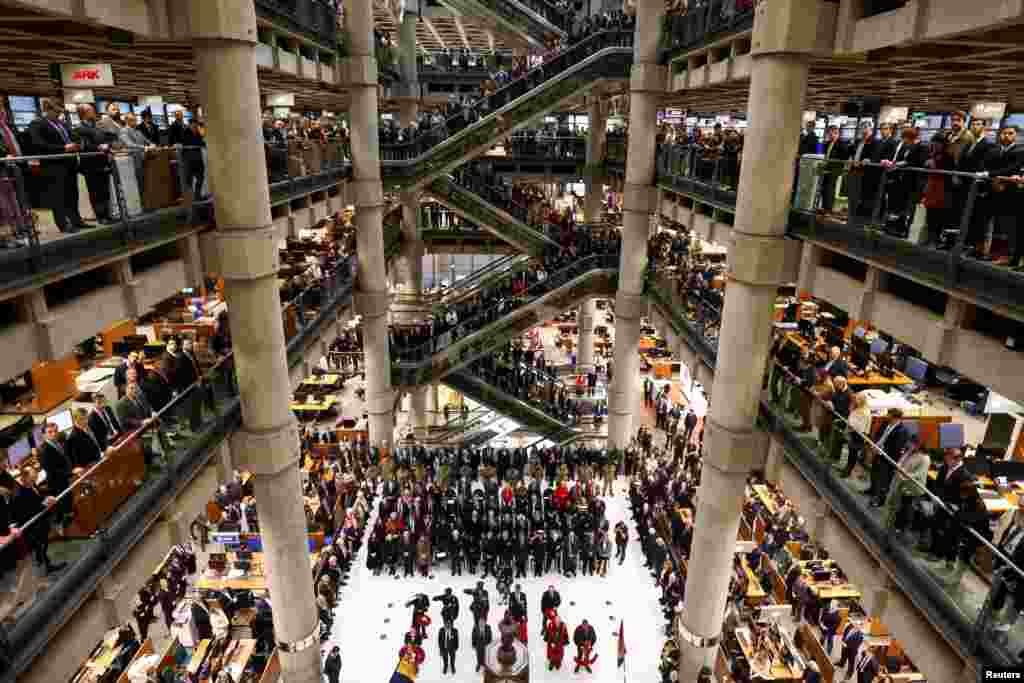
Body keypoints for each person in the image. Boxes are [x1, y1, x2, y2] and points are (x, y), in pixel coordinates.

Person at [27, 98, 84, 233]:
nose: (59, 114)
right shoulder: (37, 124)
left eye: (60, 112)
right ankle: (63, 224)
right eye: (56, 111)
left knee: (72, 194)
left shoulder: (61, 123)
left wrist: (77, 144)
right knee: (58, 196)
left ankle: (76, 220)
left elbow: (72, 137)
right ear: (47, 110)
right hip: (53, 166)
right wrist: (63, 148)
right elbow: (38, 145)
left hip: (70, 163)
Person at [10, 465, 63, 574]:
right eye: (32, 479)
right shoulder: (20, 494)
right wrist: (45, 503)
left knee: (43, 546)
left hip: (40, 523)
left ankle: (44, 563)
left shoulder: (30, 485)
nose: (34, 481)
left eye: (35, 478)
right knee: (41, 546)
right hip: (32, 526)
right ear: (24, 478)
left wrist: (46, 499)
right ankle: (46, 567)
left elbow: (37, 499)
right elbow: (28, 512)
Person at [75, 104, 119, 224]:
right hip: (90, 164)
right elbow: (83, 146)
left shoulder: (97, 126)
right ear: (84, 113)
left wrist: (108, 144)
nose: (94, 112)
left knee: (105, 191)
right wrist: (99, 147)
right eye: (91, 111)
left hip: (102, 162)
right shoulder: (79, 128)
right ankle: (101, 217)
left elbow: (106, 138)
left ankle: (107, 214)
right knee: (95, 192)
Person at [867, 408, 910, 507]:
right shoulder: (886, 423)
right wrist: (875, 444)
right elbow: (879, 434)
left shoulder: (902, 431)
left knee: (884, 480)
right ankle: (872, 490)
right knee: (874, 472)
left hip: (887, 458)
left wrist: (881, 450)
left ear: (896, 418)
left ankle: (880, 500)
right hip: (878, 452)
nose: (887, 417)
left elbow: (896, 448)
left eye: (889, 416)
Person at [35, 421, 75, 527]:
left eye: (55, 431)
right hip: (57, 482)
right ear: (44, 435)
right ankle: (63, 525)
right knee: (63, 506)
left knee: (68, 502)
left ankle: (69, 517)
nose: (53, 434)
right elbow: (52, 470)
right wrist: (70, 472)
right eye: (50, 432)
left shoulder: (57, 443)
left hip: (64, 478)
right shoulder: (43, 450)